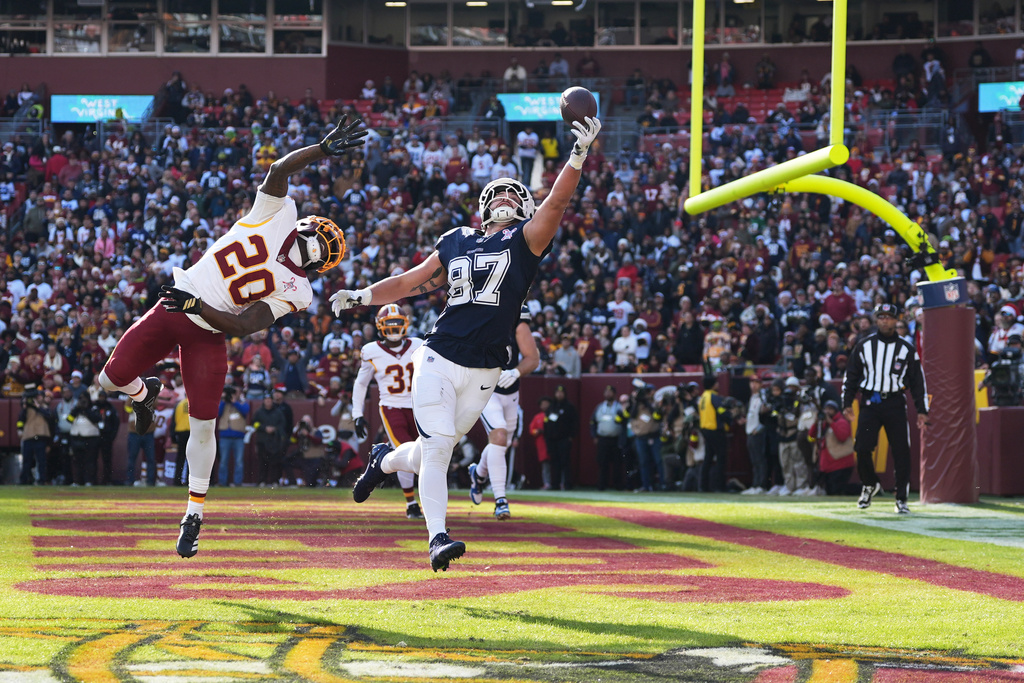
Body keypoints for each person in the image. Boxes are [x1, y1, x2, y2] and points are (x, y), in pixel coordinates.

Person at [331, 114, 602, 571]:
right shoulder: (457, 240)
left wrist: (576, 156)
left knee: (435, 448)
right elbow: (412, 282)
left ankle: (385, 460)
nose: (500, 198)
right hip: (438, 352)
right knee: (437, 448)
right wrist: (363, 295)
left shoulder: (525, 242)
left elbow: (555, 206)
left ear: (522, 208)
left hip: (487, 366)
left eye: (510, 194)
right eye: (493, 194)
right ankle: (437, 537)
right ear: (481, 205)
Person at [97, 115, 366, 558]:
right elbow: (279, 170)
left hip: (202, 327)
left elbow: (242, 326)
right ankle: (144, 393)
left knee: (203, 425)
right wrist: (322, 148)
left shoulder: (296, 285)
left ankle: (193, 514)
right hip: (178, 306)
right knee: (110, 380)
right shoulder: (280, 221)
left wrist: (197, 307)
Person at [842, 303, 929, 514]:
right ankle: (870, 484)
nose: (885, 320)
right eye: (881, 316)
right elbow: (851, 375)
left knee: (901, 451)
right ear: (875, 319)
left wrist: (922, 410)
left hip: (894, 403)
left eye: (889, 317)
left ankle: (901, 499)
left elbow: (918, 381)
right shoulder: (864, 345)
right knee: (862, 448)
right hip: (870, 403)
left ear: (896, 320)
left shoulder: (906, 348)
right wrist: (846, 402)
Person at [351, 304, 425, 520]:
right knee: (406, 451)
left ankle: (382, 465)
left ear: (406, 324)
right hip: (392, 407)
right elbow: (360, 384)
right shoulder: (371, 350)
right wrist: (357, 413)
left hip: (420, 406)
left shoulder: (419, 345)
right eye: (389, 325)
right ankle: (411, 503)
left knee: (426, 454)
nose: (394, 329)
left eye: (398, 324)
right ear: (380, 327)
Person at [469, 305, 540, 519]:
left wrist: (516, 371)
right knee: (499, 436)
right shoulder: (476, 313)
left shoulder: (517, 315)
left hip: (510, 392)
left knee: (501, 445)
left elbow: (533, 358)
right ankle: (501, 500)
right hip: (485, 389)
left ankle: (478, 474)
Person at [809, 400, 855, 495]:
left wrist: (831, 423)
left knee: (837, 491)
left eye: (830, 409)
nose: (827, 412)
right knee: (830, 491)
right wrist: (816, 422)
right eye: (826, 409)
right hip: (827, 465)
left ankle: (862, 490)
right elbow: (811, 437)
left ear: (836, 411)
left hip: (840, 464)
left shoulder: (841, 422)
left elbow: (842, 437)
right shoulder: (823, 424)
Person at [697, 375, 732, 492]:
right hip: (715, 430)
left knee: (708, 458)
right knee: (721, 458)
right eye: (716, 383)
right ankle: (720, 486)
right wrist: (730, 416)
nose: (718, 384)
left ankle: (703, 486)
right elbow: (721, 411)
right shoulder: (713, 397)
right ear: (713, 384)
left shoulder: (702, 397)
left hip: (705, 429)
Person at [590, 384, 626, 490]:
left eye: (610, 392)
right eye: (606, 392)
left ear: (614, 394)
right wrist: (594, 436)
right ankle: (601, 485)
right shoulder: (600, 407)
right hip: (603, 438)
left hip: (616, 438)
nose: (607, 394)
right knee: (602, 463)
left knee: (617, 463)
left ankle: (617, 485)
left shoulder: (620, 406)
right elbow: (592, 422)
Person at [544, 384, 578, 491]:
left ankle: (567, 484)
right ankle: (555, 484)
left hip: (564, 439)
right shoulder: (551, 407)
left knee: (565, 462)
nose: (559, 394)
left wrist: (571, 436)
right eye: (557, 392)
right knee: (554, 462)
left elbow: (574, 423)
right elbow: (546, 423)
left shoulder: (569, 407)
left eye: (561, 392)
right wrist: (547, 437)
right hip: (552, 440)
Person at [17, 384, 52, 485]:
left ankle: (42, 480)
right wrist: (19, 428)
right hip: (28, 435)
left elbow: (49, 417)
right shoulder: (26, 408)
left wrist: (38, 406)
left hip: (41, 436)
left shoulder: (45, 408)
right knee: (26, 460)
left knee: (42, 461)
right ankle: (24, 480)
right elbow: (21, 418)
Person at [217, 386, 249, 486]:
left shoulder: (243, 403)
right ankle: (222, 482)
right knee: (223, 461)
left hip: (238, 436)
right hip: (225, 435)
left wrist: (235, 402)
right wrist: (223, 399)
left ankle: (238, 482)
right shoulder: (223, 404)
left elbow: (245, 411)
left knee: (239, 461)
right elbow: (218, 412)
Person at [741, 375, 768, 494]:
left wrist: (760, 428)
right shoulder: (752, 397)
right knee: (754, 460)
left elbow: (765, 414)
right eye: (752, 382)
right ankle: (755, 483)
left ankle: (761, 485)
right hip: (750, 431)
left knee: (760, 459)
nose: (754, 385)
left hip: (757, 432)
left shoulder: (763, 396)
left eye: (756, 382)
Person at [528, 396, 553, 489]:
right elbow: (531, 430)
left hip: (553, 442)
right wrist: (537, 431)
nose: (545, 405)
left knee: (555, 463)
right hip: (542, 444)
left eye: (547, 403)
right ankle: (547, 483)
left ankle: (558, 483)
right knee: (545, 465)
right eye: (543, 404)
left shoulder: (553, 414)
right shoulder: (537, 417)